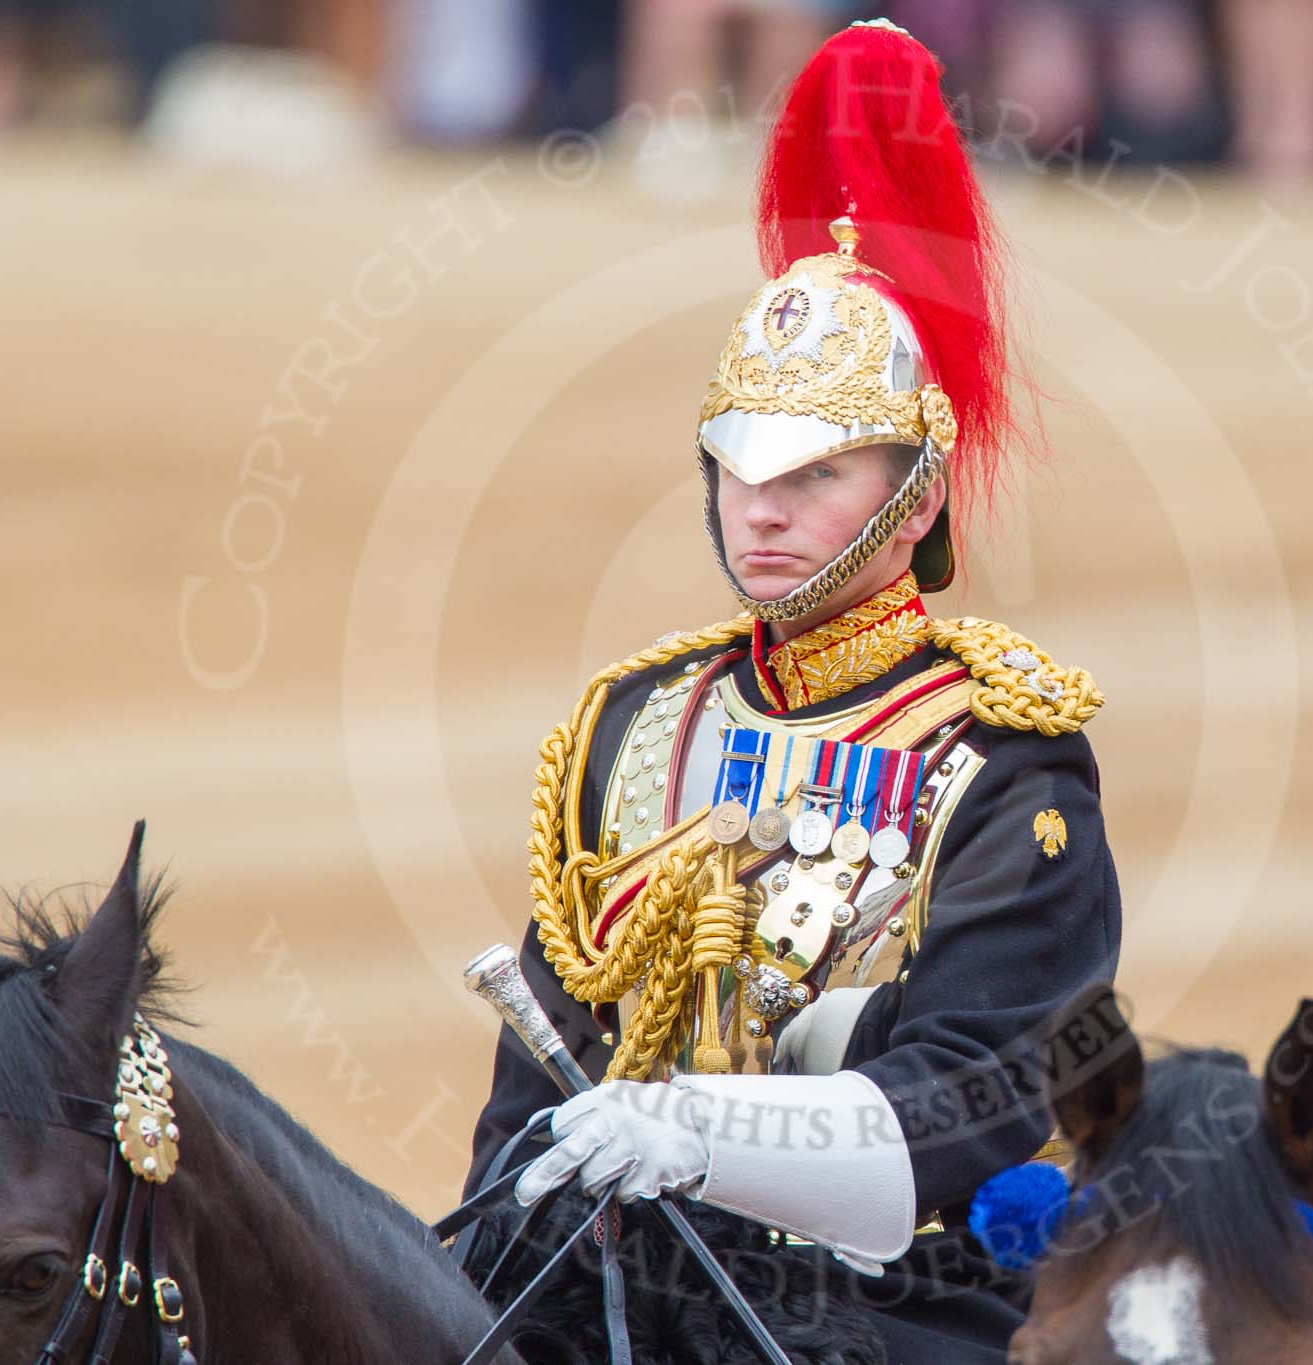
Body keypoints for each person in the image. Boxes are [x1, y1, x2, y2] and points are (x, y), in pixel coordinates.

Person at [463, 19, 1122, 1362]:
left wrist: (698, 1129)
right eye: (743, 470)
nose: (762, 511)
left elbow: (945, 1123)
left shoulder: (1004, 762)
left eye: (815, 475)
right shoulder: (633, 727)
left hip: (888, 1315)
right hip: (613, 1295)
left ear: (916, 492)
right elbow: (530, 1096)